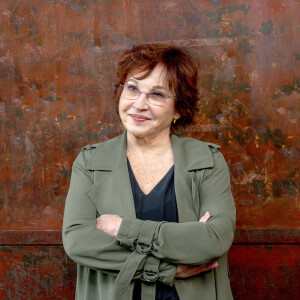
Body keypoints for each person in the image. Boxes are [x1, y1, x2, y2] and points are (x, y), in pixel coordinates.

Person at [62, 43, 236, 300]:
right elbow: (78, 242)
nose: (139, 104)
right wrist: (166, 269)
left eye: (157, 94)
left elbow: (213, 240)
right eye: (132, 89)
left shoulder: (207, 160)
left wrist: (124, 229)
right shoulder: (90, 162)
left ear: (178, 108)